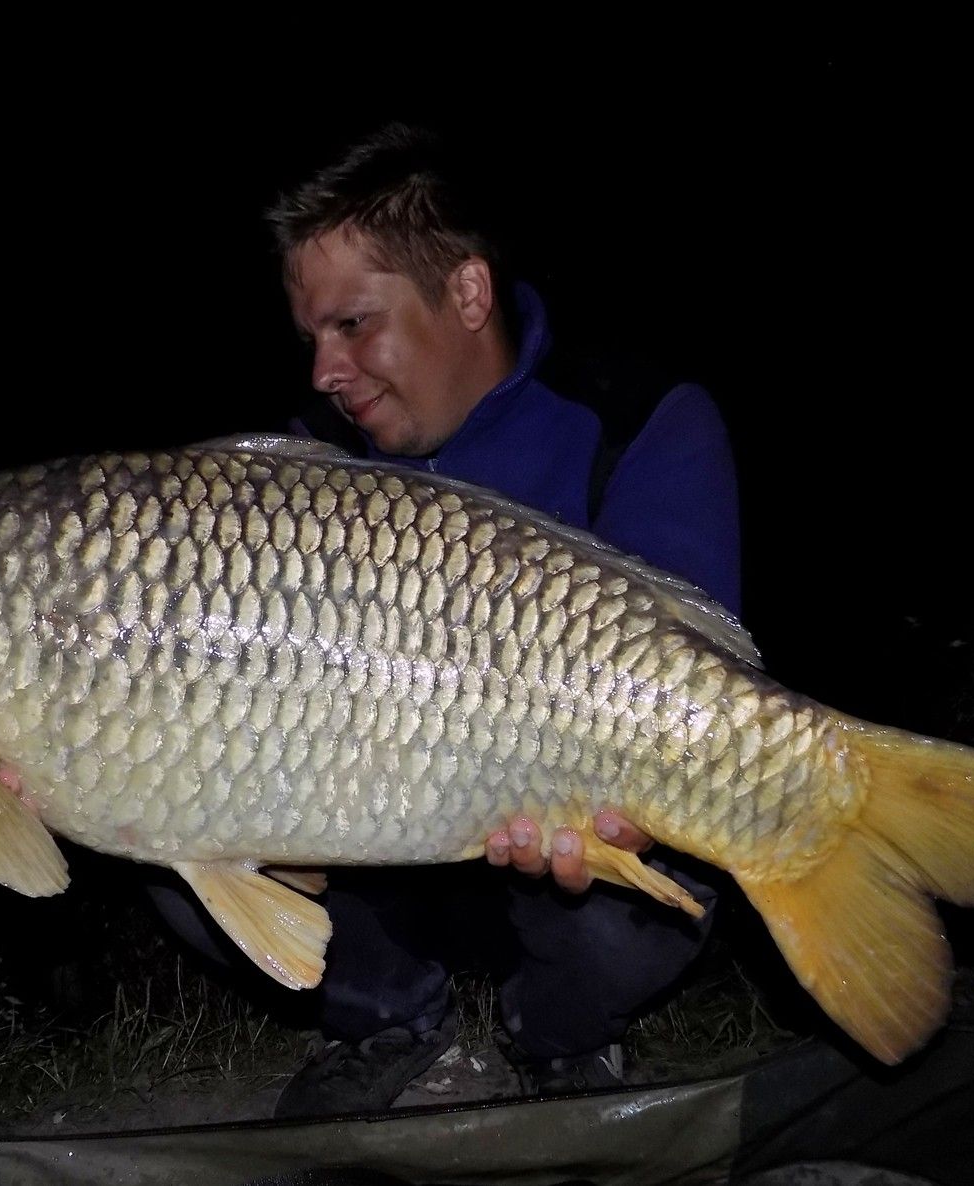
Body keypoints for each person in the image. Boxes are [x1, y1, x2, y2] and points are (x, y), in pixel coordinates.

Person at [151, 122, 742, 1118]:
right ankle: (388, 1024)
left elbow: (696, 688)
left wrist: (605, 802)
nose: (321, 375)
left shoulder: (636, 419)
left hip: (564, 861)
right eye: (309, 340)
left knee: (638, 898)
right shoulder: (291, 481)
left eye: (351, 326)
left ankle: (558, 1036)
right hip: (384, 854)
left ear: (465, 293)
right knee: (156, 826)